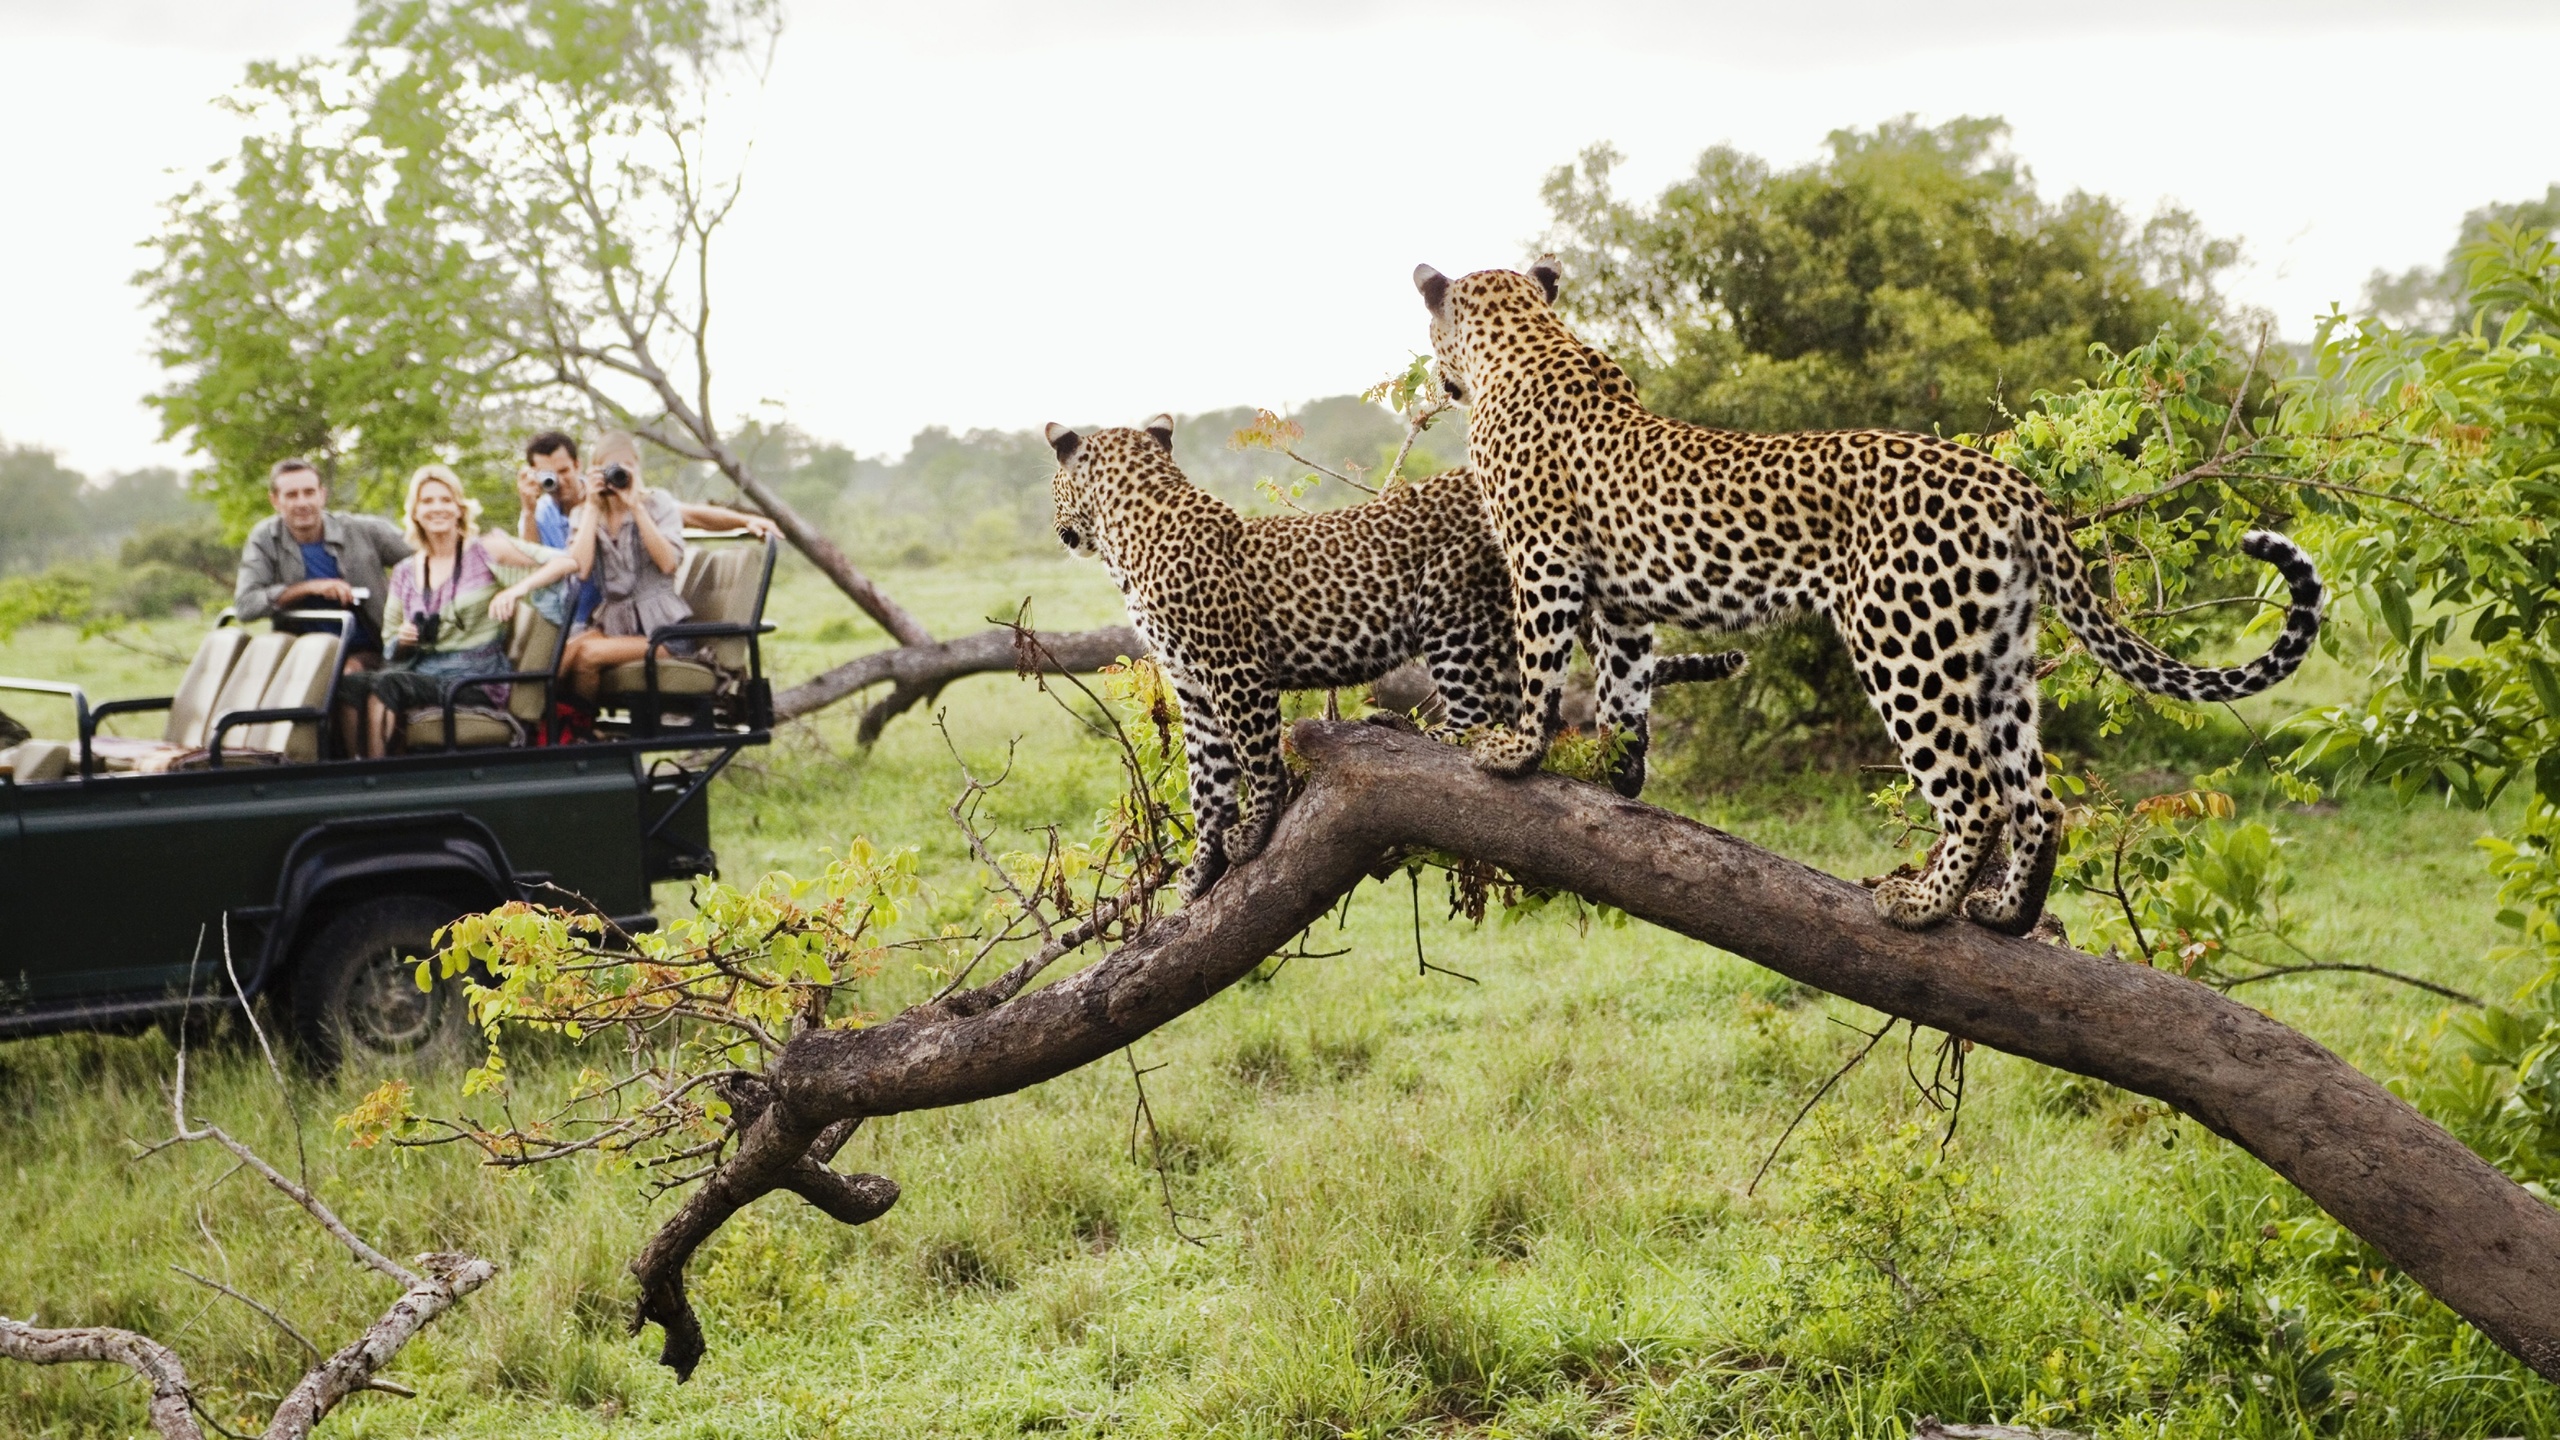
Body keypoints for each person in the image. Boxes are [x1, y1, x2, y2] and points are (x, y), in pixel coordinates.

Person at [339, 465, 575, 758]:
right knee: (351, 685)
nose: (437, 508)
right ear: (415, 512)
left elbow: (566, 562)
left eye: (445, 499)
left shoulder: (485, 550)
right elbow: (390, 647)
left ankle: (379, 781)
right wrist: (404, 640)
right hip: (424, 671)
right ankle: (357, 769)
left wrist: (515, 590)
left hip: (474, 678)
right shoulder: (404, 572)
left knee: (389, 684)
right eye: (427, 501)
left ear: (459, 507)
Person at [555, 433, 700, 719]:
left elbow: (668, 563)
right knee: (564, 652)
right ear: (594, 473)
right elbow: (580, 570)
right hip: (615, 626)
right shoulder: (585, 514)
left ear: (637, 469)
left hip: (664, 633)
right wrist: (593, 509)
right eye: (608, 470)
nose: (616, 476)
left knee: (589, 655)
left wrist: (635, 506)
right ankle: (548, 724)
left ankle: (580, 727)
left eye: (623, 469)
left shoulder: (658, 504)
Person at [234, 459, 411, 669]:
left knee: (343, 676)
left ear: (322, 495)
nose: (302, 503)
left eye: (309, 492)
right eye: (291, 495)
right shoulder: (265, 538)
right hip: (302, 654)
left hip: (370, 650)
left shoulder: (363, 531)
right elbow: (246, 606)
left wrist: (402, 593)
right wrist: (309, 588)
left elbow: (429, 556)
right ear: (275, 501)